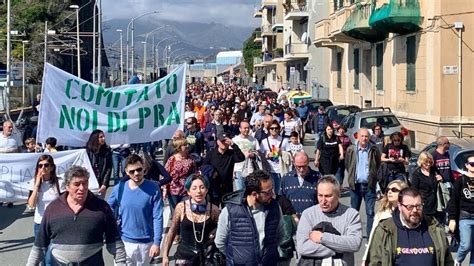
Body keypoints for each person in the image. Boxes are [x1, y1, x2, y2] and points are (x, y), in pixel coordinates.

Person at [26, 166, 127, 265]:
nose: (82, 188)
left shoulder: (102, 208)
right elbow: (39, 246)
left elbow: (115, 243)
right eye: (77, 184)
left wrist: (121, 263)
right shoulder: (53, 209)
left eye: (85, 183)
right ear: (67, 186)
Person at [368, 187, 454, 265]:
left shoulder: (435, 229)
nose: (415, 210)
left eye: (418, 206)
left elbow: (448, 261)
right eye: (410, 207)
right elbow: (375, 262)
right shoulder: (385, 230)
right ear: (400, 206)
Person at [215, 170, 283, 265]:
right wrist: (236, 257)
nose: (272, 194)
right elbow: (220, 242)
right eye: (268, 192)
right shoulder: (230, 211)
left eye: (272, 189)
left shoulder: (275, 207)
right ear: (255, 194)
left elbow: (280, 235)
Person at [108, 154, 163, 265]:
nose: (136, 173)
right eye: (132, 171)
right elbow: (107, 209)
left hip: (145, 244)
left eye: (139, 169)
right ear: (126, 172)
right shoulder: (119, 188)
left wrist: (157, 243)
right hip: (124, 242)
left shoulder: (154, 188)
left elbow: (157, 217)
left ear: (144, 168)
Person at [296, 175, 362, 265]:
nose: (323, 201)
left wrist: (322, 237)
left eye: (328, 196)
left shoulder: (351, 215)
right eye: (320, 195)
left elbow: (354, 243)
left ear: (338, 195)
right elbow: (302, 247)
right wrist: (339, 250)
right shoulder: (308, 214)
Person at [162, 174, 221, 266]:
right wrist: (165, 255)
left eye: (202, 187)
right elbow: (172, 231)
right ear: (188, 192)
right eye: (194, 188)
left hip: (206, 256)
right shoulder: (181, 207)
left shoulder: (214, 209)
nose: (198, 191)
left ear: (207, 190)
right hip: (184, 255)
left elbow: (222, 233)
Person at [361, 180, 408, 265]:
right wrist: (365, 258)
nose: (390, 192)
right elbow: (373, 236)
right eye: (388, 190)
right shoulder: (382, 213)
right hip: (384, 253)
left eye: (394, 190)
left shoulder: (409, 213)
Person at [345, 128, 381, 237]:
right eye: (362, 136)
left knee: (370, 213)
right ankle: (353, 235)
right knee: (354, 212)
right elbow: (348, 165)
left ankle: (369, 237)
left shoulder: (374, 150)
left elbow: (377, 164)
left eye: (366, 136)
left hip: (369, 186)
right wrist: (352, 176)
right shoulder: (351, 150)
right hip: (355, 186)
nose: (364, 138)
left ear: (369, 137)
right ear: (357, 137)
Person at [27, 155, 61, 266]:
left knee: (52, 256)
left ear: (51, 167)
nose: (43, 168)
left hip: (56, 223)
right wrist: (37, 185)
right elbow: (31, 205)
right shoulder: (34, 183)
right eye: (40, 166)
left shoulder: (59, 182)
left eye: (46, 165)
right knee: (42, 256)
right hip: (40, 223)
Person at [203, 131, 245, 204]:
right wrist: (212, 172)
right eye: (222, 141)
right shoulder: (211, 154)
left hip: (227, 187)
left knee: (226, 210)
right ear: (217, 142)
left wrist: (233, 145)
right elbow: (204, 167)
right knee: (213, 210)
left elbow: (241, 158)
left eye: (226, 141)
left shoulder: (231, 154)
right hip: (214, 188)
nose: (224, 143)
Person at [447, 155, 474, 266]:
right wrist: (452, 219)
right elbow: (453, 200)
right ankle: (458, 261)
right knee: (465, 245)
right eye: (472, 164)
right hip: (465, 217)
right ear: (467, 165)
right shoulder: (461, 180)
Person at [281, 152, 320, 217]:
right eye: (298, 166)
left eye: (304, 166)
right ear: (294, 163)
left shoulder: (318, 177)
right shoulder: (286, 178)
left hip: (313, 219)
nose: (301, 169)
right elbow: (282, 201)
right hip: (292, 221)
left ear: (308, 163)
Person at [165, 138, 196, 212]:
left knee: (186, 211)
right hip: (173, 189)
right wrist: (164, 189)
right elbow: (165, 174)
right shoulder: (172, 159)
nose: (187, 146)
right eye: (184, 145)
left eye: (187, 144)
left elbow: (194, 172)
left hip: (186, 189)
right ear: (179, 148)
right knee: (175, 213)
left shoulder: (190, 159)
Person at [259, 120, 290, 195]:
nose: (274, 130)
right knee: (269, 191)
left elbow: (290, 154)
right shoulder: (264, 141)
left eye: (276, 128)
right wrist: (266, 155)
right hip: (269, 170)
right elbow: (260, 155)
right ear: (269, 129)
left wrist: (281, 153)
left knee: (280, 192)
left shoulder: (284, 140)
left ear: (279, 129)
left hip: (281, 170)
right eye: (272, 128)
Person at [410, 151, 443, 221]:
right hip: (425, 205)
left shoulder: (434, 170)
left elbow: (441, 180)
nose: (428, 164)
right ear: (421, 162)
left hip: (437, 204)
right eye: (426, 162)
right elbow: (414, 191)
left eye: (430, 162)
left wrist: (441, 178)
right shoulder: (417, 174)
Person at [232, 121, 260, 191]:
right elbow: (231, 156)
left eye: (248, 128)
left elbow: (258, 154)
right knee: (240, 191)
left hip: (250, 169)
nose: (247, 130)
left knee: (250, 191)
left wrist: (252, 155)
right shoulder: (234, 140)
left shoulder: (253, 140)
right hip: (238, 169)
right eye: (245, 128)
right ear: (240, 129)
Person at [86, 129, 112, 198]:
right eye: (101, 137)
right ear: (95, 138)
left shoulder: (107, 151)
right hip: (90, 184)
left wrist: (105, 183)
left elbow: (108, 168)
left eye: (104, 137)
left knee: (100, 204)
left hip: (101, 184)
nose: (103, 138)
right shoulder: (87, 151)